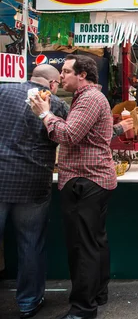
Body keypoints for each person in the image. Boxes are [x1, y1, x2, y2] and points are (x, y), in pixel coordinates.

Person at [29, 55, 117, 319]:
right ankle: (97, 294)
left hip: (84, 180)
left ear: (83, 75)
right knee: (95, 242)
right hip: (91, 179)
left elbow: (69, 134)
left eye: (66, 71)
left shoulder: (89, 99)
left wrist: (45, 114)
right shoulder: (87, 98)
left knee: (82, 247)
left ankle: (82, 309)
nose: (61, 76)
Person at [0, 64, 69, 319]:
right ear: (52, 85)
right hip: (32, 183)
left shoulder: (3, 93)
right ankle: (28, 303)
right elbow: (68, 135)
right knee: (30, 243)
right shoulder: (55, 104)